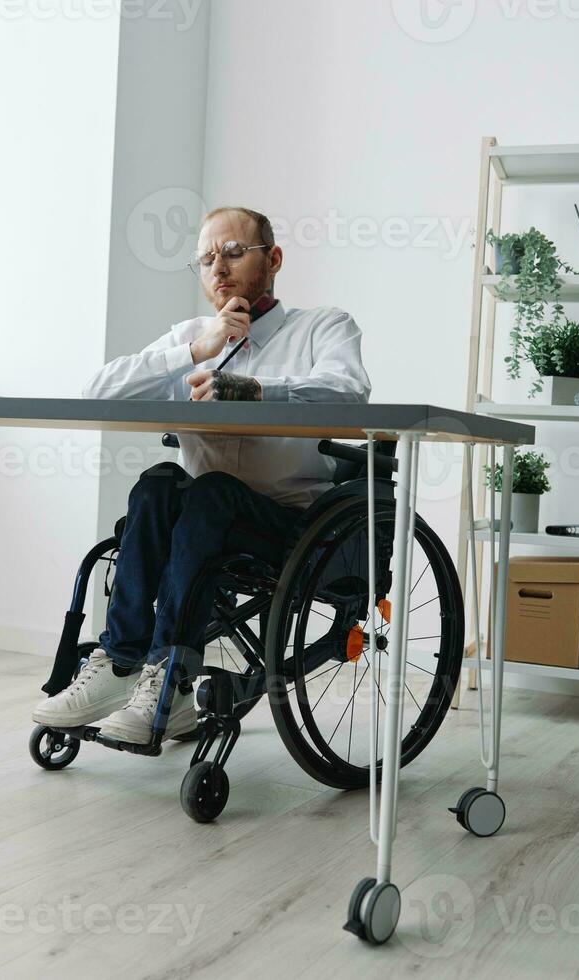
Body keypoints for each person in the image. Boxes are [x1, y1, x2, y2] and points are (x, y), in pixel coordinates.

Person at [31, 206, 371, 743]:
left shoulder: (321, 327)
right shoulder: (192, 336)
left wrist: (258, 390)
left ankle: (171, 674)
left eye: (234, 253)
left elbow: (350, 391)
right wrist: (197, 349)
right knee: (159, 483)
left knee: (210, 491)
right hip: (202, 521)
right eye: (207, 259)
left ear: (273, 258)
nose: (219, 268)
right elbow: (97, 393)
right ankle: (122, 663)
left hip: (290, 525)